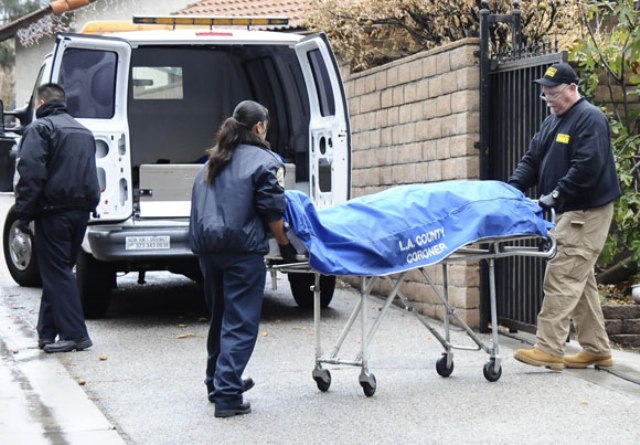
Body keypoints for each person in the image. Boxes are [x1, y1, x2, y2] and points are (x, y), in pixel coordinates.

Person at [508, 63, 621, 371]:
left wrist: (554, 196)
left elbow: (586, 167)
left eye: (554, 94)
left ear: (573, 89)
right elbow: (531, 159)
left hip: (587, 210)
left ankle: (549, 348)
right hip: (570, 211)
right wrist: (512, 188)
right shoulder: (552, 122)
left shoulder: (590, 119)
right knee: (579, 280)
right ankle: (597, 349)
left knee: (562, 275)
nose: (550, 100)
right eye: (545, 95)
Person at [189, 100, 297, 418]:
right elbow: (271, 210)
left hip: (209, 250)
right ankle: (227, 394)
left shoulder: (212, 160)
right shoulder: (266, 161)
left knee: (221, 316)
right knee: (240, 321)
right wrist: (284, 242)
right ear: (259, 127)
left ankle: (218, 381)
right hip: (242, 251)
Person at [14, 83, 100, 353]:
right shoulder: (83, 131)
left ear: (40, 104)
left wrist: (23, 212)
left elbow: (31, 172)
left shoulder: (40, 129)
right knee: (59, 271)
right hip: (81, 211)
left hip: (54, 212)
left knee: (57, 272)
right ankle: (47, 332)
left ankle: (76, 334)